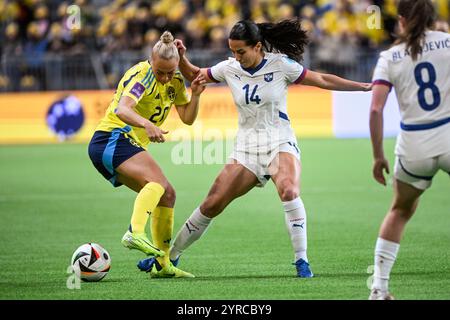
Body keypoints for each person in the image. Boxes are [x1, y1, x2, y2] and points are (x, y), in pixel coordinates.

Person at [138, 19, 371, 277]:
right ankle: (169, 256)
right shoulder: (230, 68)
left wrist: (361, 87)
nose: (236, 57)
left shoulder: (281, 65)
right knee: (212, 203)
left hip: (279, 140)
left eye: (241, 51)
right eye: (233, 51)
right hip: (247, 148)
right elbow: (196, 75)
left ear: (258, 46)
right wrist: (182, 57)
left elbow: (322, 79)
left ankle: (301, 260)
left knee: (289, 189)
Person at [88, 31, 205, 278]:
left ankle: (162, 265)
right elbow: (123, 109)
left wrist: (195, 95)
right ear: (151, 61)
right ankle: (134, 232)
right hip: (112, 137)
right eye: (159, 71)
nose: (164, 78)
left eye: (169, 72)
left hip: (123, 144)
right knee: (158, 184)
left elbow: (188, 118)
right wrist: (147, 124)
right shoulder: (142, 76)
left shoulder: (174, 81)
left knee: (167, 194)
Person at [368, 0, 450, 300]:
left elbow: (376, 109)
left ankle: (379, 288)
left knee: (400, 210)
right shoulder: (448, 42)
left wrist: (378, 156)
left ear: (401, 20)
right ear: (432, 17)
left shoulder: (389, 56)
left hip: (415, 142)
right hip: (449, 130)